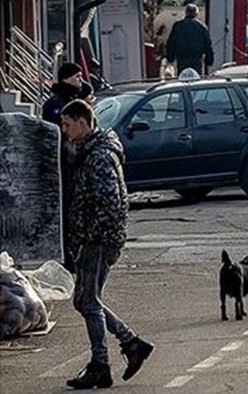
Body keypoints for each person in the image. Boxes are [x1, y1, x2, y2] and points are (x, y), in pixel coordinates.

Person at [60, 100, 153, 389]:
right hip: (96, 239)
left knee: (87, 301)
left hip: (100, 241)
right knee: (86, 300)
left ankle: (104, 363)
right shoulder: (89, 152)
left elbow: (111, 203)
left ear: (83, 122)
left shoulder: (99, 155)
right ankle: (130, 344)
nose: (64, 131)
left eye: (67, 125)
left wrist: (91, 234)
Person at [165, 3, 213, 75]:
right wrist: (209, 60)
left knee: (182, 78)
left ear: (186, 13)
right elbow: (208, 45)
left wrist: (170, 58)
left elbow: (171, 43)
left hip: (182, 58)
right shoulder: (202, 27)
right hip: (196, 59)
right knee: (196, 78)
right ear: (196, 13)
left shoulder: (178, 26)